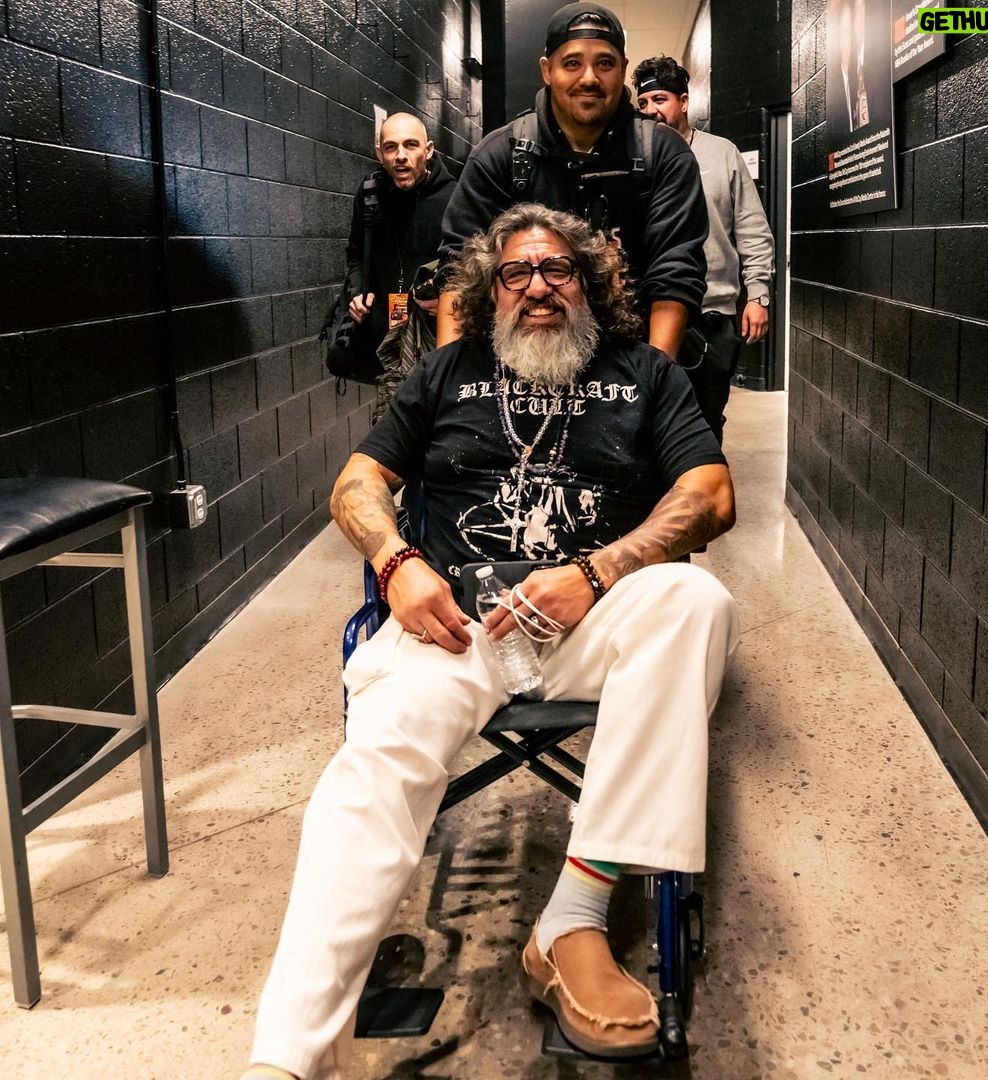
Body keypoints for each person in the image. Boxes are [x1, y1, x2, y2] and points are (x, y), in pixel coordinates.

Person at [242, 204, 740, 1079]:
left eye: (558, 270)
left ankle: (572, 921)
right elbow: (357, 483)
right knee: (374, 767)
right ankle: (283, 1056)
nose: (538, 287)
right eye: (517, 272)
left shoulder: (645, 374)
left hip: (595, 620)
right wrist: (397, 562)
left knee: (695, 599)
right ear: (491, 290)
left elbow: (711, 495)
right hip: (458, 626)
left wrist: (593, 573)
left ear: (590, 285)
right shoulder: (448, 371)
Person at [436, 3, 708, 361]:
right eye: (572, 63)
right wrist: (448, 382)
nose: (589, 78)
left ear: (623, 70)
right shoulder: (499, 155)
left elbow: (675, 274)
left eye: (605, 63)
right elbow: (460, 273)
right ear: (547, 71)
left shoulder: (664, 154)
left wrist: (656, 378)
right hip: (523, 360)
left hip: (634, 357)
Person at [633, 56, 775, 436]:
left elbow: (751, 227)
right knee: (649, 422)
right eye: (643, 102)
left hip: (711, 314)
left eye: (660, 99)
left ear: (683, 101)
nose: (650, 110)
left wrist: (758, 294)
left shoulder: (722, 153)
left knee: (706, 421)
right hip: (649, 313)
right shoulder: (634, 157)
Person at [324, 112, 455, 404]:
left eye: (411, 145)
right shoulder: (370, 194)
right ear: (379, 153)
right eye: (391, 147)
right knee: (392, 415)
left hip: (434, 334)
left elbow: (471, 266)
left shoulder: (453, 198)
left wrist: (449, 300)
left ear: (428, 150)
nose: (401, 156)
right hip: (384, 333)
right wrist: (357, 293)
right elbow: (355, 252)